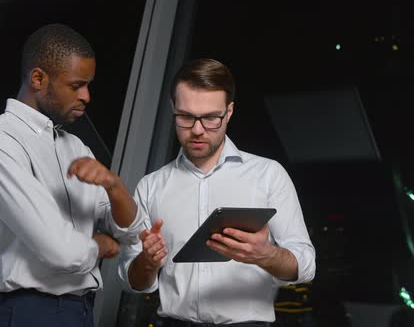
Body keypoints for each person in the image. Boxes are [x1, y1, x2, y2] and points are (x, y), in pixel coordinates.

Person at [118, 58, 316, 326]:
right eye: (186, 117)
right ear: (173, 109)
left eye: (211, 118)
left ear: (229, 112)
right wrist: (147, 262)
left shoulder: (268, 175)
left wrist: (266, 255)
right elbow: (133, 281)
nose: (197, 130)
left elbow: (305, 266)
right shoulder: (151, 186)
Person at [0, 23, 141, 327]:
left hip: (80, 310)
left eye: (88, 85)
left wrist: (114, 187)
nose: (87, 96)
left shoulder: (75, 146)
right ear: (38, 78)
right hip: (29, 313)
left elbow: (128, 233)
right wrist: (99, 246)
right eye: (77, 85)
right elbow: (61, 251)